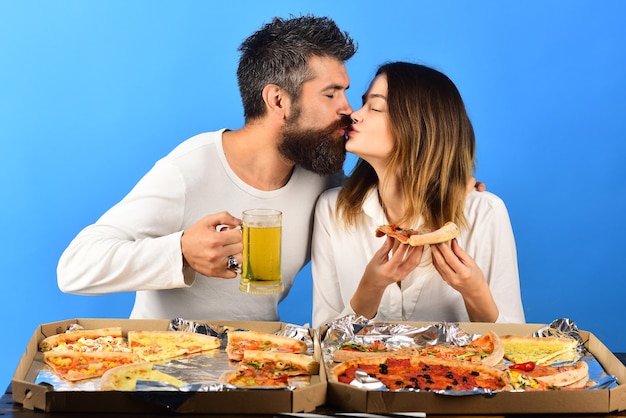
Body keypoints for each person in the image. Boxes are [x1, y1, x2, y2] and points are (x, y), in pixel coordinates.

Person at [57, 15, 356, 321]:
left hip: (263, 358)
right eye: (331, 94)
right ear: (277, 100)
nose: (347, 108)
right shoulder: (189, 169)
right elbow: (74, 268)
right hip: (162, 361)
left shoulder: (323, 177)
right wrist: (181, 251)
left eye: (346, 92)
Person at [311, 61, 525, 328]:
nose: (354, 114)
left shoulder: (485, 213)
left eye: (375, 107)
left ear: (420, 127)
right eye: (364, 103)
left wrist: (474, 290)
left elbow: (513, 345)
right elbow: (322, 340)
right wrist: (370, 289)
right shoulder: (332, 210)